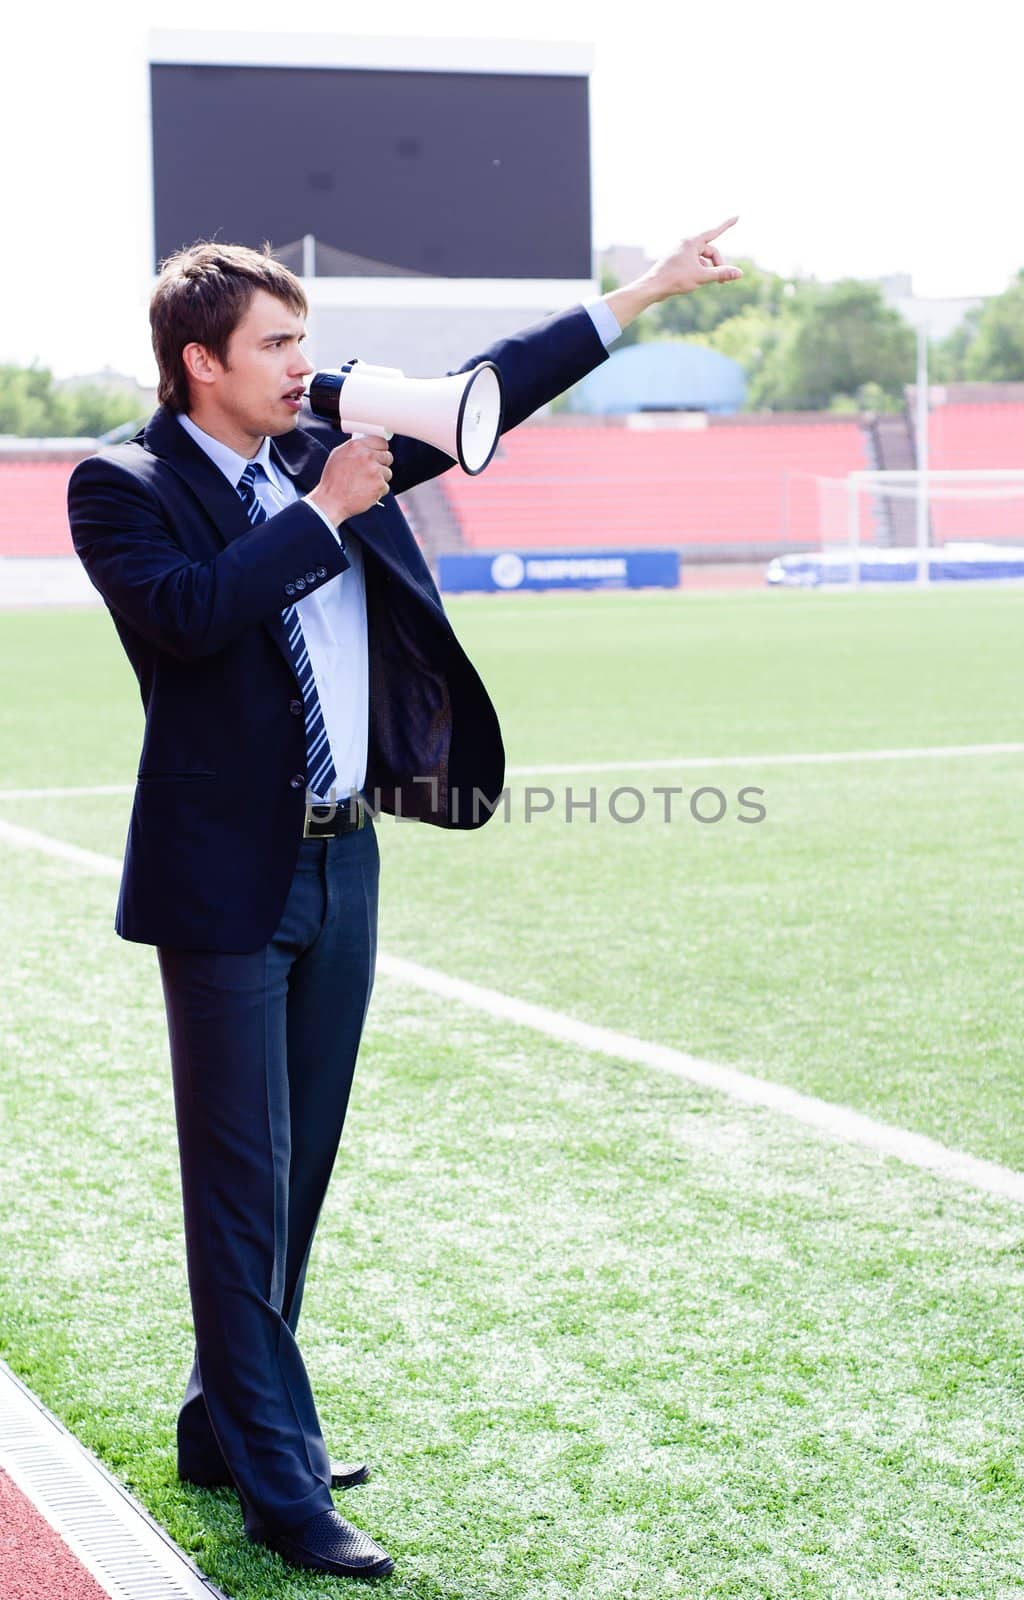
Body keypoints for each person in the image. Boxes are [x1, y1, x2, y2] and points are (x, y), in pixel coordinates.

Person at [67, 221, 741, 1582]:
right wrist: (325, 516)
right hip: (225, 881)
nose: (304, 366)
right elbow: (191, 617)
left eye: (307, 340)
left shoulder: (326, 451)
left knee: (298, 1165)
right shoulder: (123, 482)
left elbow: (499, 379)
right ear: (201, 364)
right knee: (242, 1187)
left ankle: (224, 1424)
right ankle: (279, 1485)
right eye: (277, 346)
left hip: (342, 858)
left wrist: (647, 294)